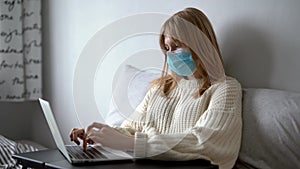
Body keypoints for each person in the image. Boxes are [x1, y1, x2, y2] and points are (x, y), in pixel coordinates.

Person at [70, 7, 242, 169]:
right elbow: (132, 129)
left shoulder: (224, 88)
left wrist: (134, 144)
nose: (170, 54)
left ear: (199, 45)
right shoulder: (160, 88)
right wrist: (100, 134)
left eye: (176, 46)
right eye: (166, 48)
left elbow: (205, 142)